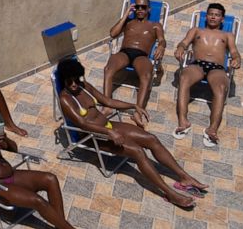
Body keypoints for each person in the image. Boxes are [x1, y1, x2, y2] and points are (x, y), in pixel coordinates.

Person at [56, 58, 207, 208]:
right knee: (138, 152)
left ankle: (184, 177)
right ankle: (169, 193)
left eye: (76, 79)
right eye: (69, 81)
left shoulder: (84, 87)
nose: (74, 84)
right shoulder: (65, 99)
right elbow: (83, 124)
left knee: (151, 139)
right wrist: (109, 133)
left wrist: (133, 106)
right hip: (95, 136)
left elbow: (107, 101)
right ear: (64, 81)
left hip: (109, 126)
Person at [0, 98, 75, 229]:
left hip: (12, 176)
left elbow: (14, 149)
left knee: (50, 179)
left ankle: (61, 226)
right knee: (37, 201)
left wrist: (6, 140)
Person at [173, 2, 241, 147]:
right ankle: (183, 121)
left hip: (217, 68)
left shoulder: (227, 35)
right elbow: (184, 43)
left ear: (222, 19)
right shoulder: (196, 30)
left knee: (222, 89)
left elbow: (234, 52)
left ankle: (212, 129)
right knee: (184, 78)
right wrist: (180, 48)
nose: (213, 17)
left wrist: (237, 58)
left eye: (217, 15)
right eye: (211, 14)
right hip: (197, 64)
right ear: (206, 16)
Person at [103, 0, 165, 108]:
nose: (140, 9)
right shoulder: (128, 22)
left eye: (143, 7)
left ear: (149, 9)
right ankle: (107, 106)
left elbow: (162, 40)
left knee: (146, 76)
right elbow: (113, 34)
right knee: (108, 69)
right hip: (124, 53)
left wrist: (161, 46)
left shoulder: (155, 25)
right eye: (137, 7)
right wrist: (126, 15)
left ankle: (139, 110)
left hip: (141, 56)